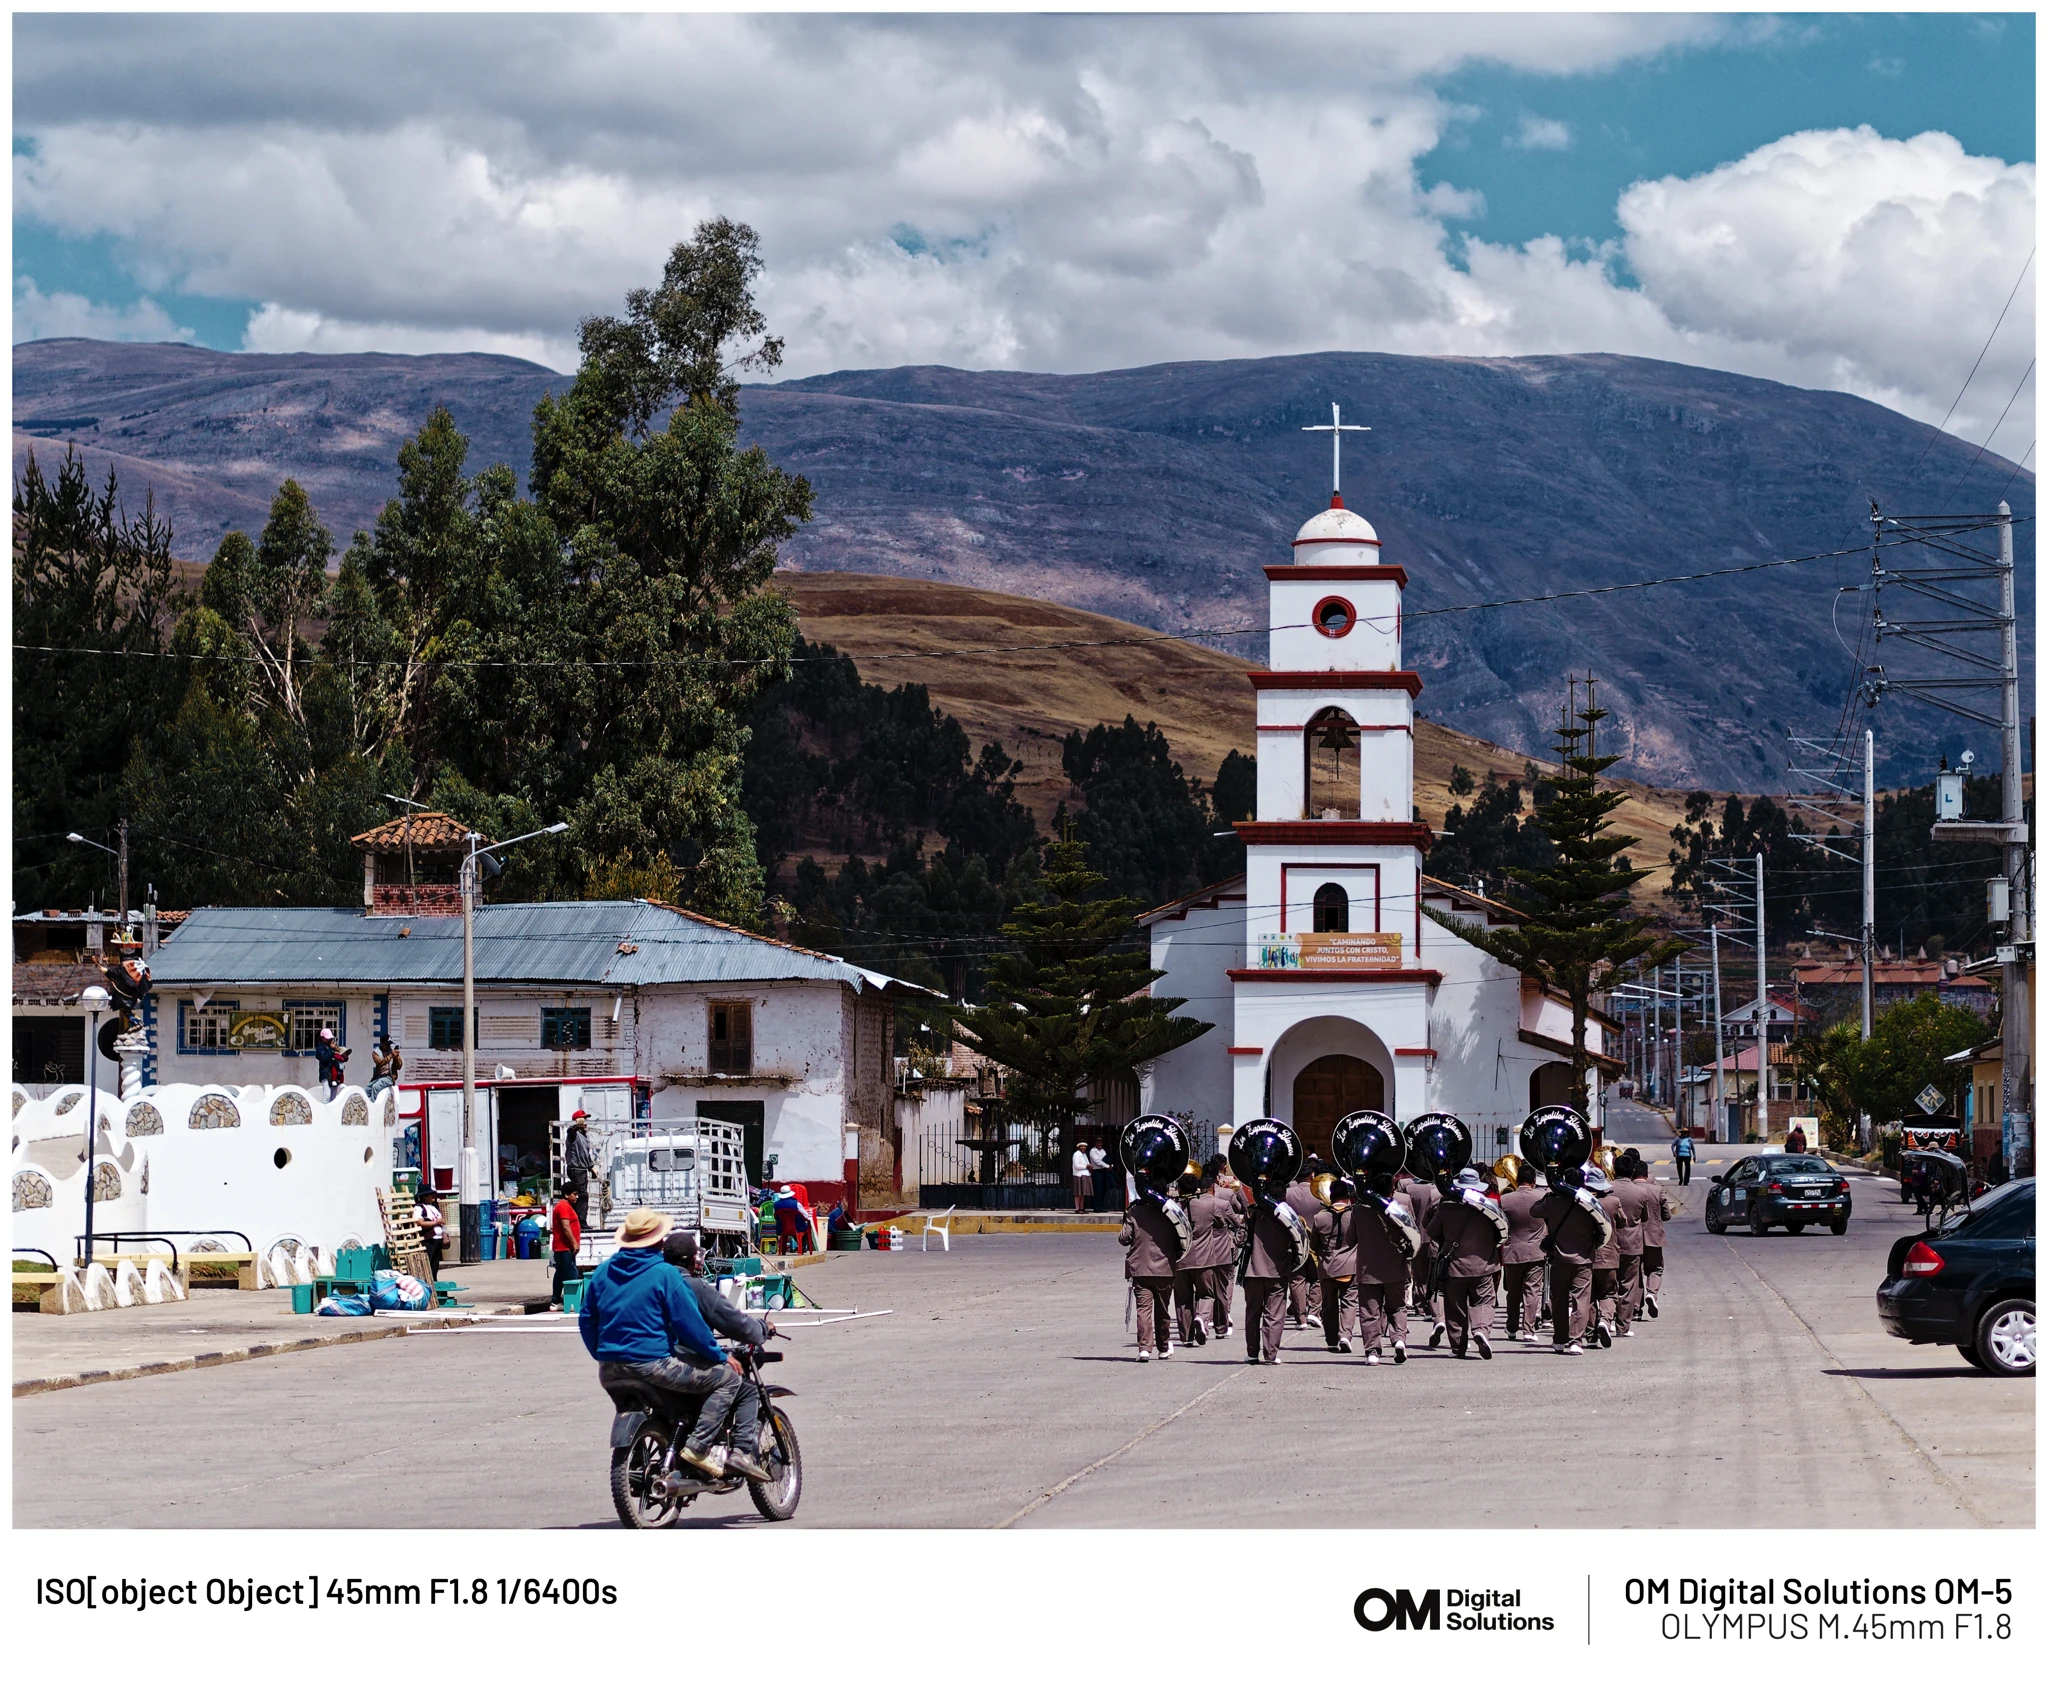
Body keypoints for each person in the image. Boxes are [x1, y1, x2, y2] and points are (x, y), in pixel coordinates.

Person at [577, 1207, 765, 1481]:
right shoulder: (665, 1274)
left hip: (609, 1370)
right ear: (658, 1241)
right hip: (653, 1365)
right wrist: (718, 1356)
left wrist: (603, 1353)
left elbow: (587, 1320)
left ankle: (652, 1458)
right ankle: (698, 1447)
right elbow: (690, 1326)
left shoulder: (603, 1272)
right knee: (729, 1381)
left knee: (651, 1407)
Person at [663, 1229, 778, 1467]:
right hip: (683, 1361)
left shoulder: (653, 1283)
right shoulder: (695, 1287)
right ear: (693, 1260)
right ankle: (739, 1453)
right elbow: (734, 1322)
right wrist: (762, 1329)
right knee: (745, 1388)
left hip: (651, 1361)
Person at [1425, 1168, 1506, 1359]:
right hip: (1484, 1263)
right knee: (1485, 1301)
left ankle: (1457, 1346)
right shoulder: (1492, 1204)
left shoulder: (1446, 1206)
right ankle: (1481, 1330)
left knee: (1455, 1307)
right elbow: (1501, 1233)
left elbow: (1431, 1231)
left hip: (1454, 1264)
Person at [1533, 1165, 1610, 1355]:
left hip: (1559, 1257)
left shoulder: (1553, 1201)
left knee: (1558, 1300)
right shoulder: (1590, 1203)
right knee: (1581, 1300)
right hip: (1583, 1258)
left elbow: (1533, 1211)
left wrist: (1549, 1194)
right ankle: (1576, 1340)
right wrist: (1594, 1246)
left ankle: (1559, 1339)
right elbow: (1602, 1228)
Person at [1353, 1171, 1420, 1364]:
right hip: (1395, 1267)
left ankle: (1373, 1351)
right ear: (1391, 1190)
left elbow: (1350, 1239)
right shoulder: (1400, 1208)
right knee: (1397, 1307)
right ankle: (1399, 1340)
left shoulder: (1359, 1210)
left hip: (1368, 1268)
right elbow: (1412, 1235)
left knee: (1369, 1312)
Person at [1119, 1181, 1185, 1362]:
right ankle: (1163, 1347)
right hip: (1164, 1268)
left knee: (1143, 1310)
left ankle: (1144, 1348)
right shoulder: (1173, 1212)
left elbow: (1124, 1239)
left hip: (1140, 1269)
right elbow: (1183, 1239)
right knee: (1163, 1311)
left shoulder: (1135, 1211)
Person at [1176, 1163, 1238, 1346]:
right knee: (1206, 1295)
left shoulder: (1173, 1208)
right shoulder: (1209, 1205)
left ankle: (1186, 1337)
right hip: (1204, 1259)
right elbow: (1223, 1223)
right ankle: (1202, 1318)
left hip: (1180, 1260)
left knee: (1182, 1300)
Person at [1311, 1177, 1360, 1353]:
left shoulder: (1319, 1218)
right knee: (1349, 1302)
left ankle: (1331, 1340)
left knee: (1329, 1305)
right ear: (1348, 1195)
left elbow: (1313, 1245)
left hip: (1327, 1267)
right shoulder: (1355, 1215)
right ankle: (1345, 1335)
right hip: (1350, 1265)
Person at [1498, 1163, 1546, 1342]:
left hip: (1512, 1250)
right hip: (1536, 1250)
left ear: (1517, 1180)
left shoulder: (1506, 1199)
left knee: (1513, 1291)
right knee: (1533, 1291)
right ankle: (1529, 1329)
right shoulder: (1542, 1196)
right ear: (1534, 1181)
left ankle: (1511, 1327)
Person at [1608, 1151, 1653, 1337]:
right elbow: (1645, 1218)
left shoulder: (1606, 1188)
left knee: (1608, 1284)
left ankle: (1605, 1319)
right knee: (1628, 1285)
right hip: (1632, 1243)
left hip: (1609, 1242)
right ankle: (1622, 1326)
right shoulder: (1642, 1192)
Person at [1398, 1167, 1443, 1344]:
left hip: (1416, 1233)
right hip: (1433, 1236)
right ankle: (1431, 1308)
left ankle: (1420, 1306)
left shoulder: (1410, 1189)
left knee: (1419, 1273)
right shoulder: (1436, 1191)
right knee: (1432, 1275)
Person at [1283, 1162, 1328, 1329]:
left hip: (1294, 1241)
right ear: (1312, 1176)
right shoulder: (1319, 1192)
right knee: (1318, 1278)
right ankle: (1314, 1312)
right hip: (1317, 1241)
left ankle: (1300, 1318)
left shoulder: (1287, 1193)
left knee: (1296, 1280)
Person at [1587, 1164, 1624, 1347]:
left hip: (1587, 1257)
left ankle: (1591, 1335)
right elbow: (1623, 1222)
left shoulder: (1583, 1202)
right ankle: (1605, 1321)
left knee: (1589, 1296)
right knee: (1609, 1292)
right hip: (1609, 1255)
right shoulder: (1614, 1202)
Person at [1635, 1157, 1673, 1319]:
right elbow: (1667, 1214)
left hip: (1633, 1239)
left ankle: (1636, 1310)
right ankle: (1651, 1293)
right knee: (1656, 1269)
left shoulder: (1628, 1189)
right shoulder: (1657, 1190)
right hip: (1654, 1237)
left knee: (1634, 1274)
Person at [548, 1185, 582, 1309]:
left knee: (561, 1274)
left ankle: (555, 1301)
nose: (577, 1196)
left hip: (563, 1248)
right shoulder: (563, 1206)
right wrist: (574, 1243)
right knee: (572, 1274)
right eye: (574, 1194)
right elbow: (566, 1226)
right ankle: (572, 1302)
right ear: (567, 1195)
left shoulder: (566, 1206)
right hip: (564, 1247)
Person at [415, 1187, 447, 1281]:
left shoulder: (433, 1207)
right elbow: (419, 1222)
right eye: (430, 1194)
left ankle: (434, 1279)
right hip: (428, 1239)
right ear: (424, 1197)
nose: (433, 1196)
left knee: (435, 1262)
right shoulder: (419, 1208)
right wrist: (435, 1223)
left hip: (437, 1238)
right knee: (429, 1260)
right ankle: (427, 1280)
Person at [1088, 1140, 1114, 1213]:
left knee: (1103, 1189)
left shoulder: (1103, 1151)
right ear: (1095, 1143)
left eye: (1100, 1142)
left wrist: (1110, 1165)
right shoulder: (1093, 1151)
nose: (1099, 1144)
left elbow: (1107, 1160)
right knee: (1097, 1189)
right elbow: (1097, 1161)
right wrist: (1107, 1166)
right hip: (1097, 1171)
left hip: (1104, 1171)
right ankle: (1096, 1207)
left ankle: (1101, 1206)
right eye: (1098, 1142)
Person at [1071, 1140, 1093, 1214]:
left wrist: (1089, 1167)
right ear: (1079, 1147)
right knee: (1078, 1193)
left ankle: (1082, 1207)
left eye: (1084, 1146)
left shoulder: (1084, 1155)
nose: (1083, 1147)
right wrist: (1086, 1166)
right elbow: (1077, 1166)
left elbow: (1087, 1163)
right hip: (1079, 1175)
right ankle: (1077, 1208)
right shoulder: (1076, 1154)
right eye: (1082, 1146)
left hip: (1085, 1175)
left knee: (1082, 1193)